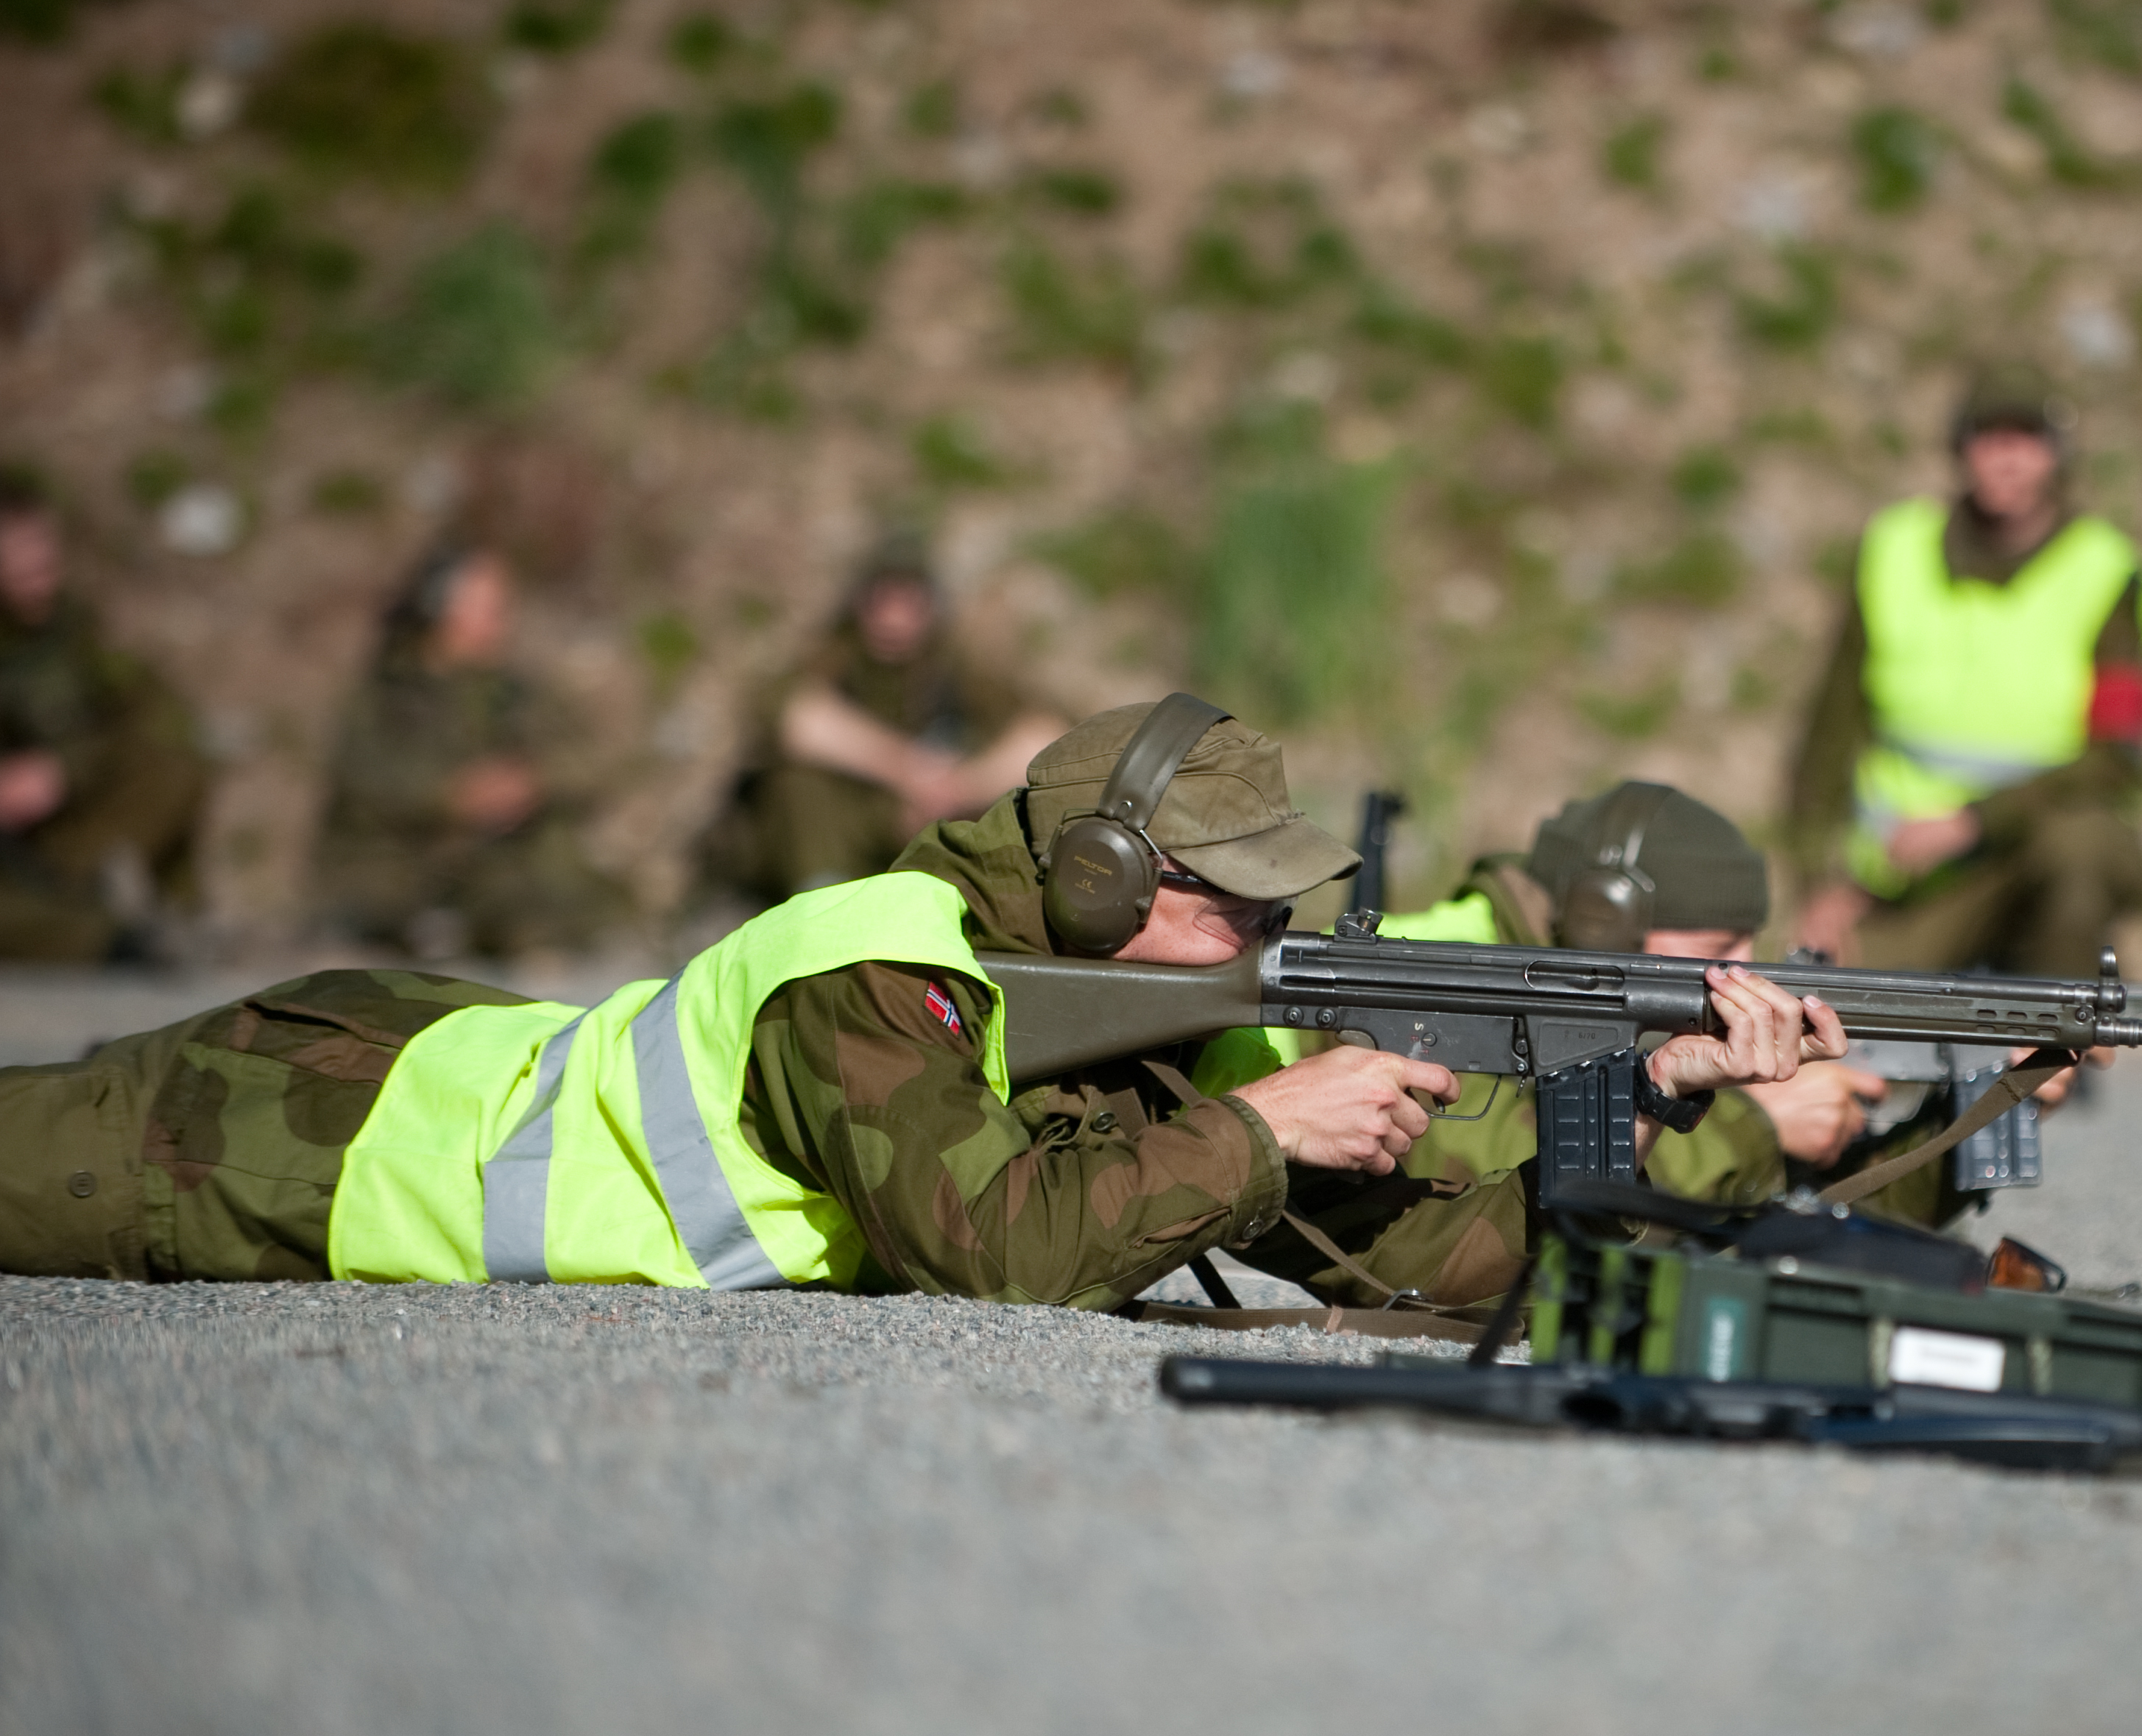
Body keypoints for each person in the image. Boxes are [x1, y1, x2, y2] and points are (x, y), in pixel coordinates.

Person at [0, 699, 1845, 1313]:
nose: (1267, 944)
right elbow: (1009, 1250)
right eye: (1239, 906)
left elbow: (1426, 1266)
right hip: (287, 1133)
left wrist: (1667, 1090)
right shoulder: (869, 967)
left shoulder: (1158, 1002)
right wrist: (1260, 1129)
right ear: (1113, 884)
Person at [1196, 779, 2075, 1229]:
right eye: (1717, 954)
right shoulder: (1449, 963)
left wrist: (1982, 1106)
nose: (1744, 975)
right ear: (1606, 920)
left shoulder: (1573, 973)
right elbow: (1497, 1176)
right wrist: (1748, 1123)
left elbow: (1791, 1233)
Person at [1789, 365, 2142, 977]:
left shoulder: (2106, 574)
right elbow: (1831, 729)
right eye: (1990, 438)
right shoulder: (1896, 549)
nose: (2007, 460)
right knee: (1812, 1017)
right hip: (1906, 875)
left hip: (2033, 857)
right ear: (1960, 449)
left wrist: (1973, 823)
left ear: (2057, 455)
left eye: (2026, 440)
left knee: (2082, 852)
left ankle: (2058, 1051)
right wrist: (1817, 883)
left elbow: (2117, 758)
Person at [320, 545, 629, 959]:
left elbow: (591, 763)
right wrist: (452, 795)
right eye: (486, 607)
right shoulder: (390, 693)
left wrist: (529, 782)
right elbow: (365, 777)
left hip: (494, 870)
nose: (500, 621)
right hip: (402, 869)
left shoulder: (513, 693)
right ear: (440, 610)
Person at [712, 542, 1061, 901]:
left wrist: (960, 787)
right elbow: (796, 718)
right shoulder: (838, 658)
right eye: (884, 600)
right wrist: (907, 770)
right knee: (797, 783)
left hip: (933, 821)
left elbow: (1045, 734)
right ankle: (822, 907)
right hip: (847, 826)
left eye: (909, 602)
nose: (895, 616)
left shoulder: (954, 669)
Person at [0, 469, 205, 963]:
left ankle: (161, 910)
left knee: (171, 756)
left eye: (45, 548)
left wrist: (63, 768)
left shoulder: (71, 633)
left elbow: (143, 712)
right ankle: (104, 934)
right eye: (20, 552)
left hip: (60, 831)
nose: (40, 565)